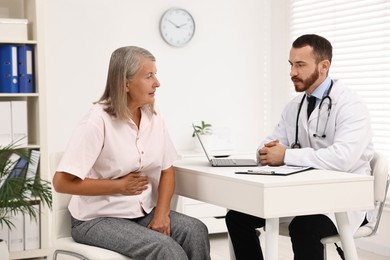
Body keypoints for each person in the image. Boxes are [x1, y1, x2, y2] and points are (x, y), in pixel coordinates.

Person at [53, 46, 211, 260]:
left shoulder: (154, 117)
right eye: (149, 76)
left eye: (156, 74)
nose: (157, 82)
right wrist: (118, 186)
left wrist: (162, 214)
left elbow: (167, 170)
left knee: (195, 230)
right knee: (166, 249)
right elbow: (61, 182)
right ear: (125, 84)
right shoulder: (97, 121)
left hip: (141, 212)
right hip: (96, 219)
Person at [225, 34, 374, 260]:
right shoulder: (294, 106)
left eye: (300, 65)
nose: (292, 72)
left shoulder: (351, 106)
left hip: (342, 200)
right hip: (301, 195)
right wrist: (265, 152)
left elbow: (342, 159)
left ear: (324, 66)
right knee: (238, 217)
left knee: (304, 228)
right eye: (291, 64)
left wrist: (286, 156)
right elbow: (270, 142)